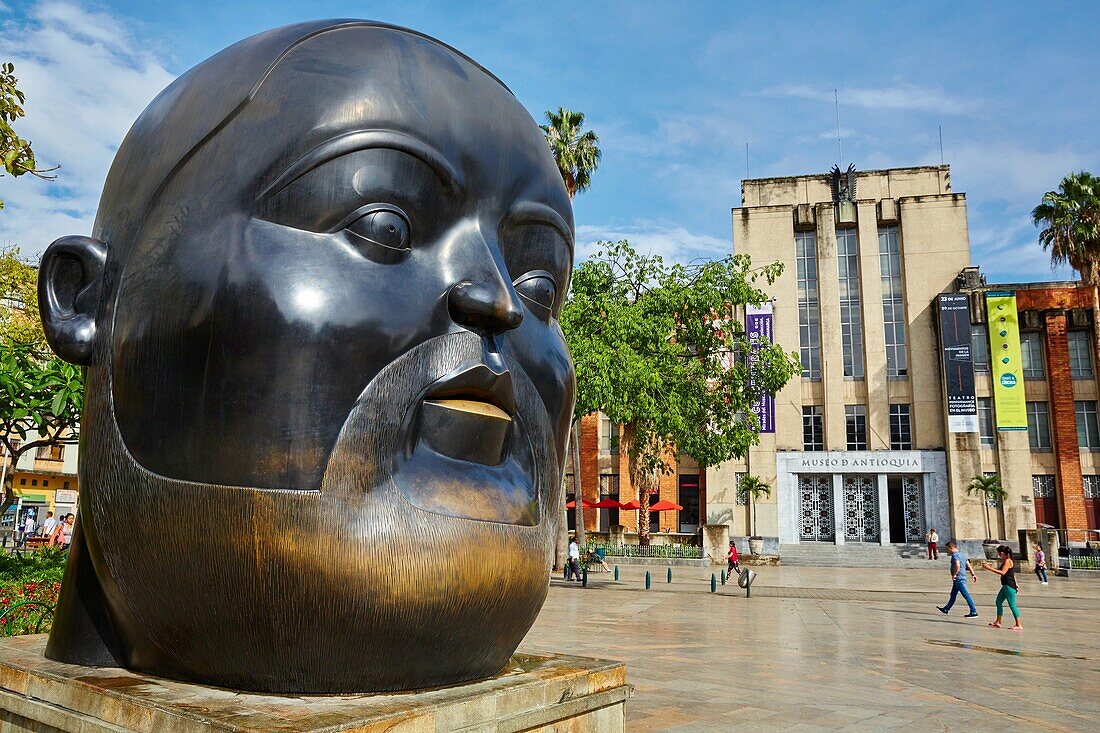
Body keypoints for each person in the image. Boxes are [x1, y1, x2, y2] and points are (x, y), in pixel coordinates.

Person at [982, 545, 1022, 630]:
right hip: (1006, 585)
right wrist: (1017, 583)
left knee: (1012, 605)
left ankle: (1018, 624)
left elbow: (1003, 572)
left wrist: (989, 568)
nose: (998, 555)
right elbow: (1012, 574)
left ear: (1002, 553)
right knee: (998, 601)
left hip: (1009, 585)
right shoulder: (1007, 560)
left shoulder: (1008, 561)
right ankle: (998, 621)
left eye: (999, 553)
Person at [937, 540, 978, 618]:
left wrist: (955, 574)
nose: (947, 551)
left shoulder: (955, 555)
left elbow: (957, 565)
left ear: (951, 548)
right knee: (953, 594)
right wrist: (973, 574)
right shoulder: (963, 555)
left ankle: (973, 612)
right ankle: (946, 609)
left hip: (959, 578)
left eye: (947, 549)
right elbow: (968, 565)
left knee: (966, 595)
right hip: (960, 578)